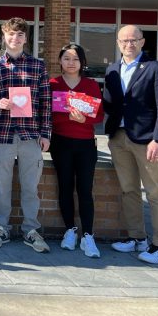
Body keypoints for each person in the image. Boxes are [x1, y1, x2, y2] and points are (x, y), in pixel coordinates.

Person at [104, 25, 158, 264]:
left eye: (134, 40)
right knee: (129, 190)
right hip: (119, 138)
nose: (129, 44)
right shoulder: (112, 70)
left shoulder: (157, 68)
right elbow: (109, 103)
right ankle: (137, 238)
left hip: (147, 140)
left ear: (143, 42)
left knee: (155, 192)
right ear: (118, 43)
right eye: (124, 40)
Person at [0, 17, 52, 253]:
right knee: (2, 186)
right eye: (11, 34)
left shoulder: (38, 66)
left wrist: (46, 134)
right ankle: (1, 228)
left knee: (30, 186)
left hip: (30, 135)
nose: (15, 38)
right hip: (2, 135)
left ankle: (30, 230)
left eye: (20, 34)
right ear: (4, 36)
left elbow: (45, 102)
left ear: (26, 38)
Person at [50, 43, 104, 258]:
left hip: (85, 144)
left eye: (75, 59)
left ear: (82, 62)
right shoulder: (53, 84)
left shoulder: (90, 85)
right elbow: (47, 114)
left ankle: (88, 235)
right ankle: (70, 231)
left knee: (84, 190)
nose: (71, 63)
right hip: (61, 142)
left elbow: (99, 116)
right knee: (64, 187)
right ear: (60, 61)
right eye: (66, 58)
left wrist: (86, 118)